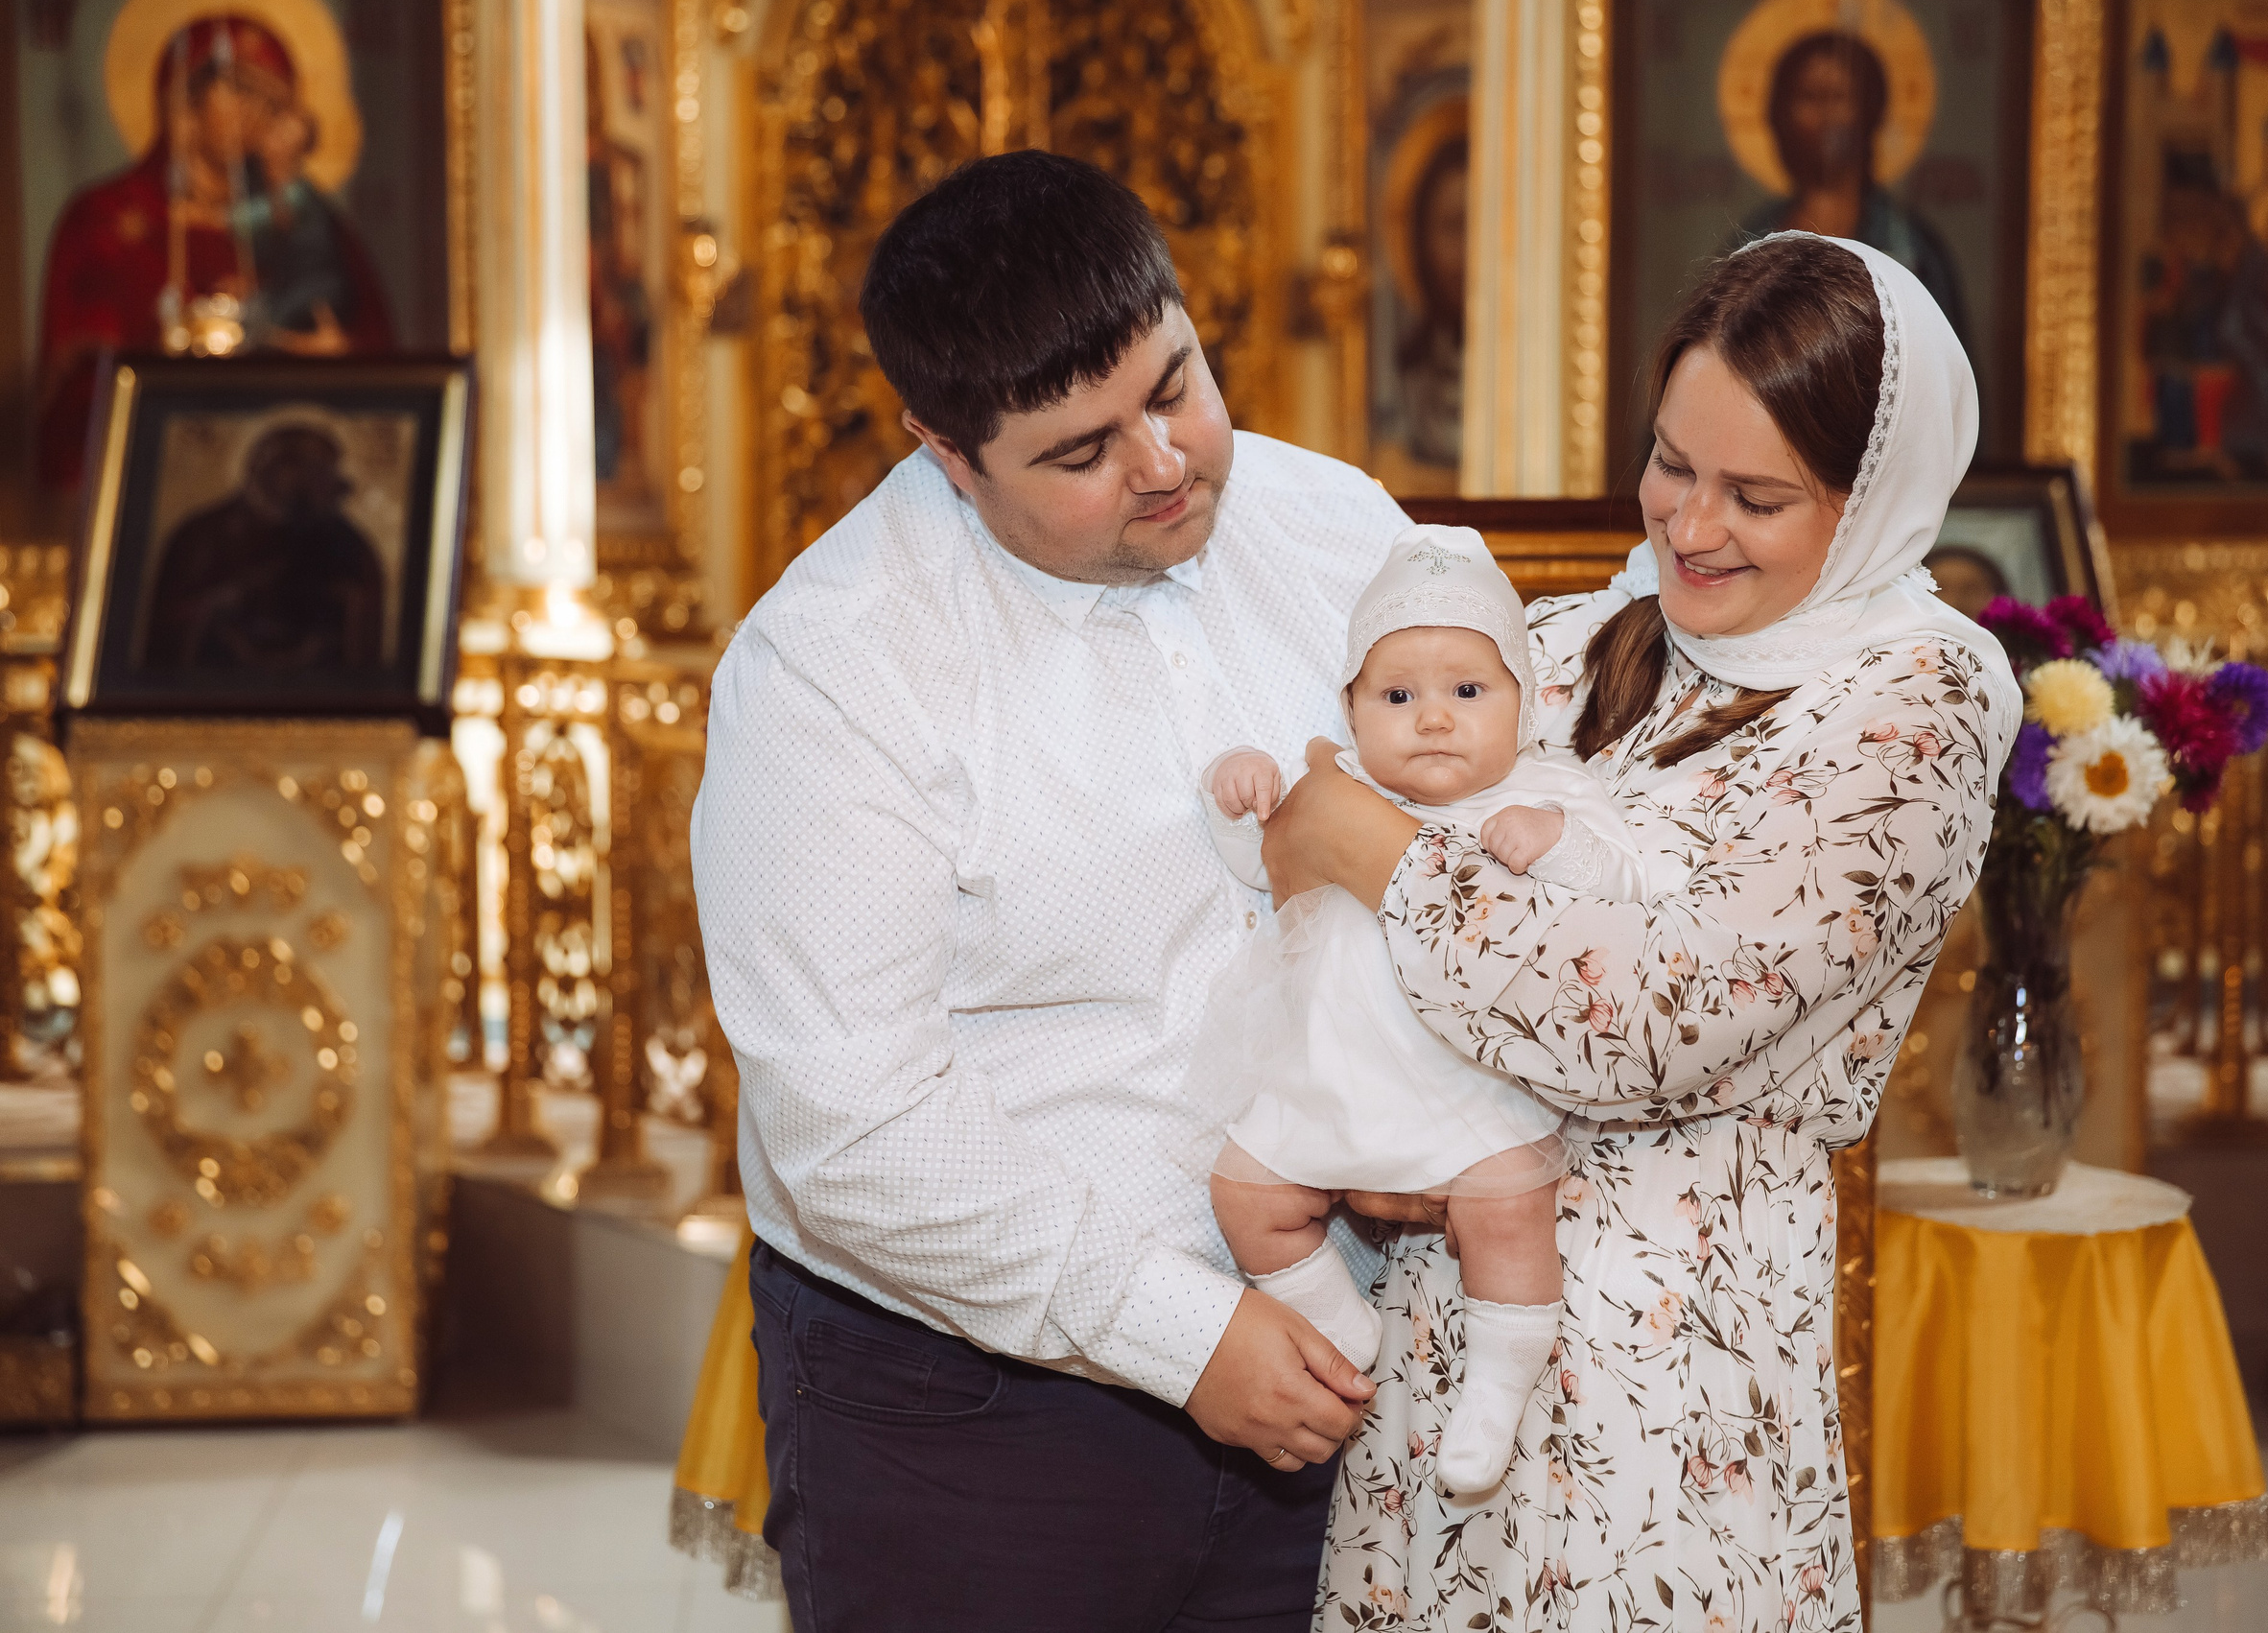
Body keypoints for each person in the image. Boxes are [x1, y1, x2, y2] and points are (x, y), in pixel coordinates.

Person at [692, 150, 1409, 1632]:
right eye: (1079, 452)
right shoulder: (835, 662)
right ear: (949, 455)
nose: (1161, 461)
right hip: (965, 1407)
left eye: (1177, 383)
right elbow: (855, 1117)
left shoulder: (1338, 527)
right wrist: (1185, 1329)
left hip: (1338, 1324)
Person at [1269, 232, 2020, 1629]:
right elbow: (1332, 841)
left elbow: (1657, 1017)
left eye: (1758, 495)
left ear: (1870, 505)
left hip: (1670, 1384)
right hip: (1433, 1337)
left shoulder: (1919, 695)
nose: (1690, 527)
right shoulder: (1574, 633)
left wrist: (1374, 857)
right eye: (1673, 463)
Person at [1194, 532, 1657, 1498]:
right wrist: (1241, 801)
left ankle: (1498, 1385)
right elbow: (1260, 874)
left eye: (1467, 692)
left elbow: (1626, 884)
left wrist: (1558, 843)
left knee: (1509, 1212)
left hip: (1463, 1089)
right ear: (1352, 711)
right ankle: (1341, 1324)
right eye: (1396, 698)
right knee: (1246, 1194)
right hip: (1327, 1077)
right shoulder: (1335, 789)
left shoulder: (1549, 791)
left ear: (1522, 709)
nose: (1433, 720)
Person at [34, 14, 392, 492]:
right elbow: (80, 383)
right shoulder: (107, 220)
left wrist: (333, 354)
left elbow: (373, 355)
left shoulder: (306, 223)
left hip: (282, 472)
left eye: (273, 102)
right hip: (154, 470)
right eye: (240, 91)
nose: (256, 114)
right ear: (186, 98)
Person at [1731, 30, 1969, 354]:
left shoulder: (1910, 247)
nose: (1826, 116)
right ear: (1780, 114)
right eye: (1809, 97)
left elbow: (1943, 371)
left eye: (1839, 97)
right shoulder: (1753, 239)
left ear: (1870, 112)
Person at [138, 422, 386, 674]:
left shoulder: (346, 542)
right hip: (217, 680)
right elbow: (170, 623)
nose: (315, 481)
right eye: (303, 467)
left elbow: (363, 623)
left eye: (322, 470)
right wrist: (220, 601)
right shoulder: (203, 534)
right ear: (265, 468)